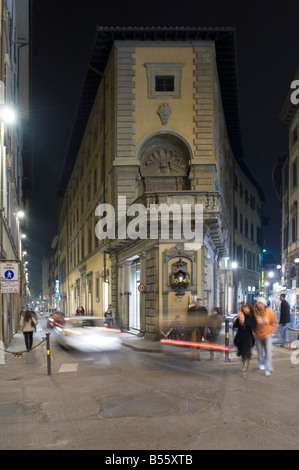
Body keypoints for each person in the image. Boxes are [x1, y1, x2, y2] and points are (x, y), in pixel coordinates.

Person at [253, 297, 278, 376]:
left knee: (268, 352)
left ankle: (268, 368)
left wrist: (270, 331)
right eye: (258, 303)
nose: (259, 304)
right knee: (260, 351)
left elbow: (274, 322)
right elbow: (252, 323)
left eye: (261, 303)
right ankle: (261, 363)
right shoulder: (254, 313)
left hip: (267, 335)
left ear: (264, 304)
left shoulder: (270, 312)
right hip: (257, 335)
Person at [233, 303, 256, 376]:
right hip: (240, 336)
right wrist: (239, 321)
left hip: (248, 336)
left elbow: (253, 325)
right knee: (242, 351)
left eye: (247, 308)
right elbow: (235, 325)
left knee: (246, 351)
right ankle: (244, 362)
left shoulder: (252, 316)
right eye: (244, 308)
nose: (245, 309)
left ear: (249, 309)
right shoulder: (240, 315)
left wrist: (244, 322)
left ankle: (246, 365)